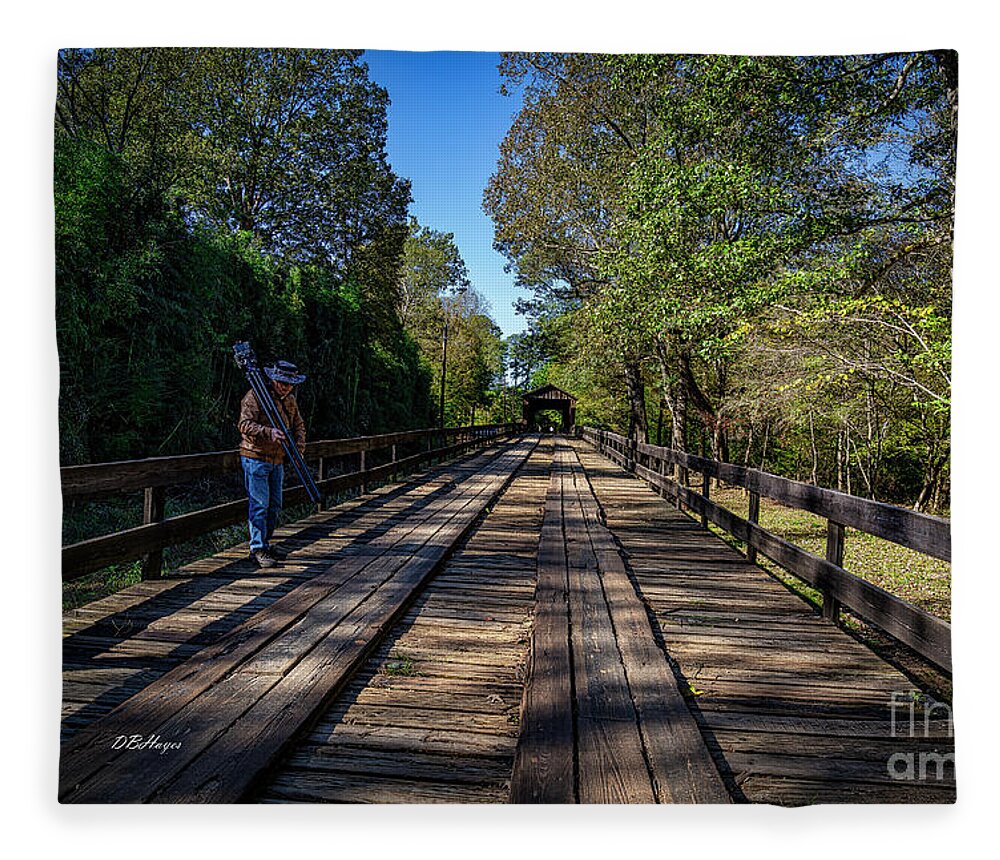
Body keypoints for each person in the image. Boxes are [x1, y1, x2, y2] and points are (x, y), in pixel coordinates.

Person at [237, 359, 307, 568]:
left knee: (274, 505)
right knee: (259, 505)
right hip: (255, 457)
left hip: (278, 459)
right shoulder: (256, 395)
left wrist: (298, 450)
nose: (285, 386)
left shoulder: (290, 401)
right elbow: (244, 424)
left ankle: (265, 544)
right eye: (281, 382)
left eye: (289, 383)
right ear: (273, 379)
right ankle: (257, 548)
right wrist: (269, 432)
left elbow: (299, 426)